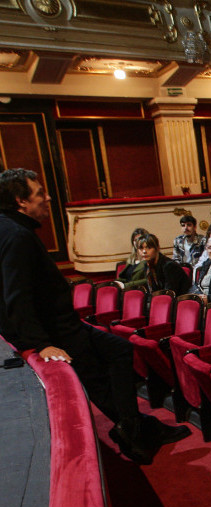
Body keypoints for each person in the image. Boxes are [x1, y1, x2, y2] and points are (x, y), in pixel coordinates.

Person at [0, 168, 189, 463]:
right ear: (20, 201)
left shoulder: (11, 228)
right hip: (57, 332)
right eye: (40, 193)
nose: (48, 197)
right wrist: (41, 344)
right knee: (99, 380)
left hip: (63, 324)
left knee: (121, 349)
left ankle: (134, 427)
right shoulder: (17, 236)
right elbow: (17, 297)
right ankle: (134, 434)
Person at [121, 233, 191, 293]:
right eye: (141, 248)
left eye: (148, 248)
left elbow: (169, 293)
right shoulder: (147, 265)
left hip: (179, 302)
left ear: (157, 248)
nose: (144, 251)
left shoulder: (169, 266)